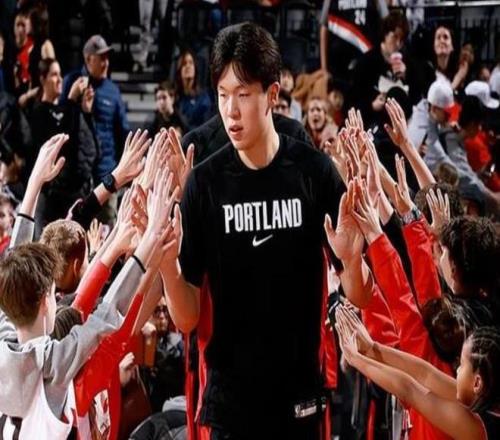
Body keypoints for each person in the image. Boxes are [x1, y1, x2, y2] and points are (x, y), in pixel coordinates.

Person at [161, 22, 371, 439]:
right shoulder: (203, 183)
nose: (230, 111)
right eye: (222, 95)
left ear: (273, 95)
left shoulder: (314, 172)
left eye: (243, 95)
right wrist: (167, 265)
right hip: (230, 405)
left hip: (298, 398)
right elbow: (187, 318)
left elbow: (361, 295)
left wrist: (351, 260)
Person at [336, 307, 500, 440]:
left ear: (477, 383)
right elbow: (425, 374)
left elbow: (409, 390)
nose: (457, 369)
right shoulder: (480, 402)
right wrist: (371, 348)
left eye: (462, 365)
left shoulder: (474, 427)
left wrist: (357, 360)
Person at [62, 34, 130, 223]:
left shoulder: (112, 91)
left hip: (106, 173)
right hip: (77, 178)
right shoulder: (72, 82)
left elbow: (123, 132)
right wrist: (74, 100)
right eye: (101, 58)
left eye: (107, 57)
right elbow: (62, 121)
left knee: (108, 227)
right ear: (88, 59)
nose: (106, 63)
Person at [29, 57, 98, 229]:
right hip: (51, 197)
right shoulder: (38, 112)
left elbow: (85, 144)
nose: (59, 79)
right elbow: (62, 141)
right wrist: (72, 100)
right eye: (54, 74)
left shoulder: (65, 110)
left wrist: (86, 112)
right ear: (42, 79)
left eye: (60, 74)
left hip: (72, 192)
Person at [174, 49, 213, 130]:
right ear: (179, 70)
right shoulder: (174, 97)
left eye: (191, 63)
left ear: (195, 68)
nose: (188, 66)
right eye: (184, 64)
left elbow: (206, 125)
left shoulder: (203, 97)